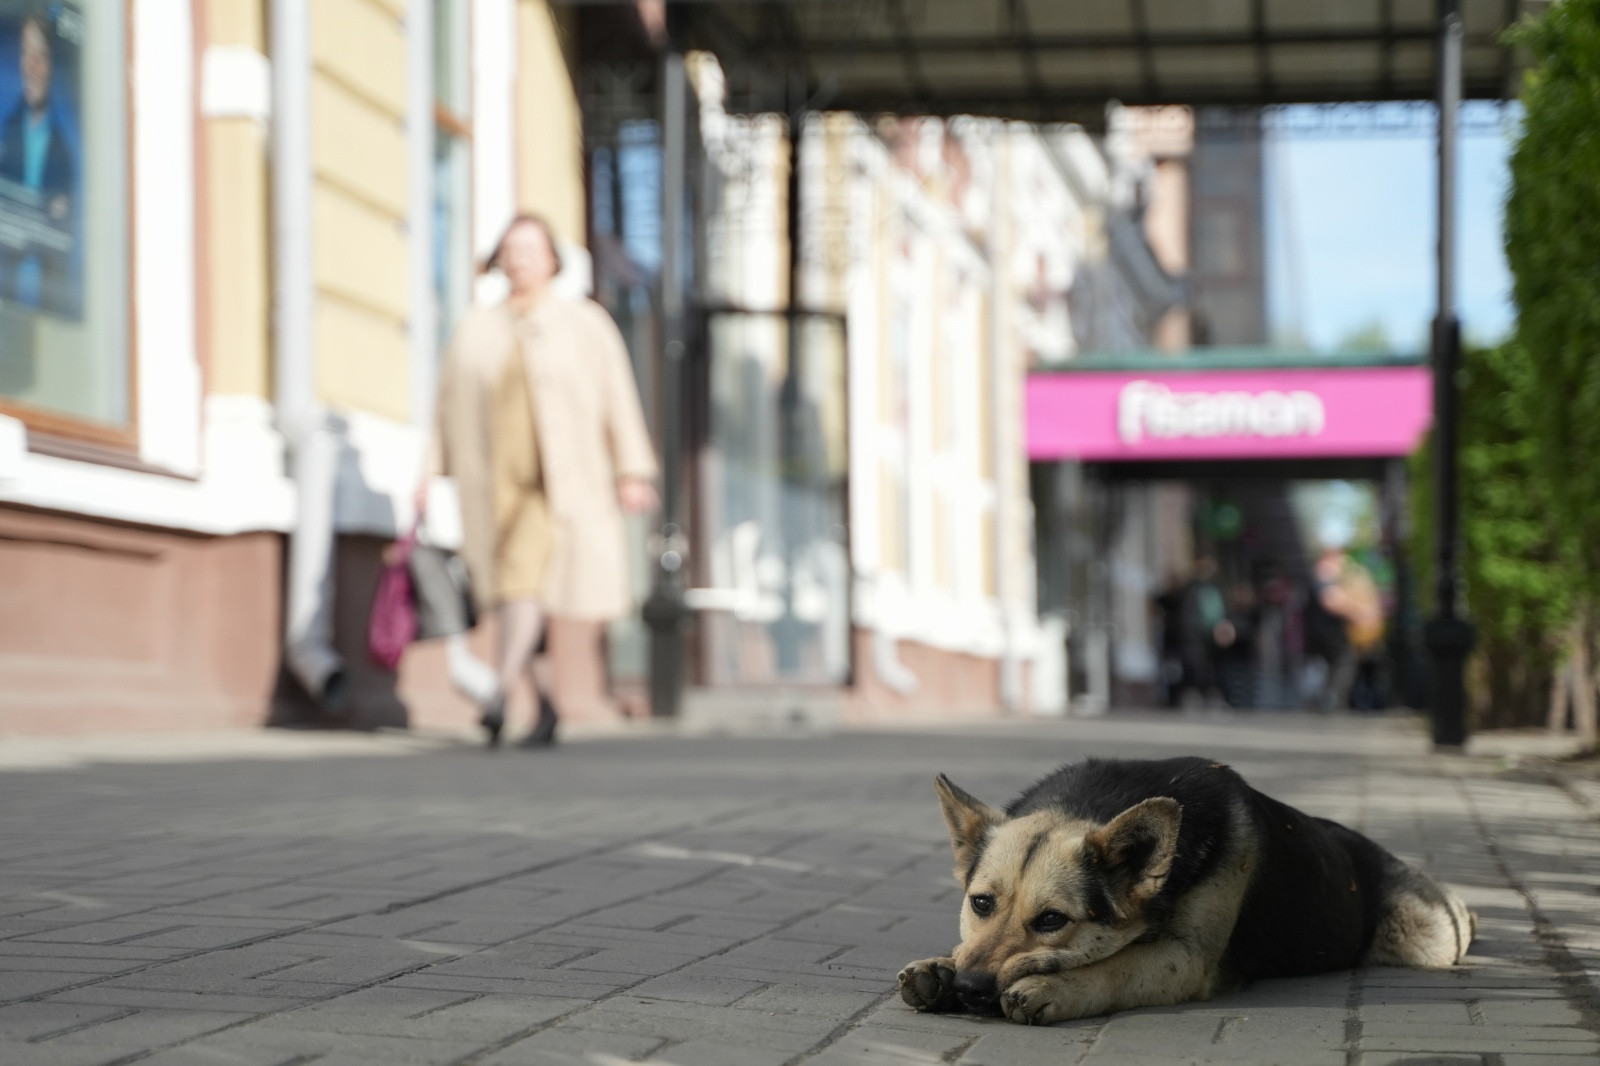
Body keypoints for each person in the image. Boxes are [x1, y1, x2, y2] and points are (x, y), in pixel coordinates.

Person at [420, 214, 659, 747]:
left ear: (553, 259)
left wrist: (633, 469)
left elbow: (618, 396)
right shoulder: (476, 327)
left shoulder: (585, 323)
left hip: (555, 489)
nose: (520, 258)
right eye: (511, 249)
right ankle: (546, 706)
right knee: (521, 599)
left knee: (521, 588)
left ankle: (499, 695)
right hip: (492, 487)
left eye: (531, 249)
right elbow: (446, 407)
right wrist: (429, 471)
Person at [0, 12, 76, 316]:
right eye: (25, 53)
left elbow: (65, 228)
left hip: (48, 298)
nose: (31, 66)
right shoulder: (7, 133)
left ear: (52, 66)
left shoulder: (63, 150)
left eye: (40, 55)